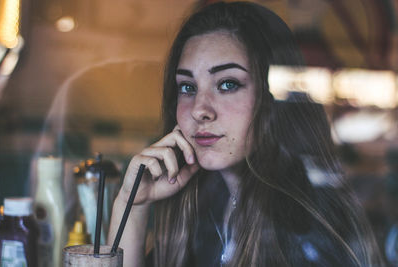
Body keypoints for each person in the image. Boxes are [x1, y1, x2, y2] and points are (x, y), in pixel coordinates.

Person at [108, 2, 384, 266]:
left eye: (227, 84)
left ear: (270, 99)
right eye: (188, 87)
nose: (199, 110)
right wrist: (133, 205)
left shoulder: (307, 222)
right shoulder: (206, 200)